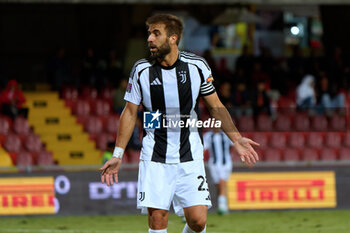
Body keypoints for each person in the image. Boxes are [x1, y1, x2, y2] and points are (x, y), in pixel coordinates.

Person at [100, 14, 259, 233]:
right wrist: (118, 154)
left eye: (156, 33)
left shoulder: (197, 66)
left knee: (198, 221)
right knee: (158, 218)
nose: (149, 39)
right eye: (149, 33)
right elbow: (129, 113)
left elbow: (215, 106)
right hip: (155, 155)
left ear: (173, 38)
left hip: (190, 154)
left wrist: (236, 137)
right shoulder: (141, 70)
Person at [203, 128, 233, 215]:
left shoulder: (226, 135)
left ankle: (222, 207)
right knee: (218, 185)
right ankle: (223, 204)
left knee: (222, 182)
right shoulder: (208, 136)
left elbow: (233, 146)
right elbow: (204, 149)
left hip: (225, 163)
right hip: (213, 163)